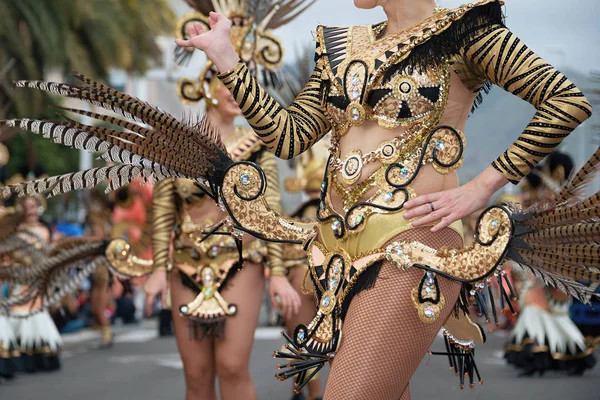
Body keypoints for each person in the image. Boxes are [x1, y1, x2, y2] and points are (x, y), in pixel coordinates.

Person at [2, 1, 597, 399]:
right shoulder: (340, 44)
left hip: (416, 249)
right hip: (334, 257)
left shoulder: (471, 33)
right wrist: (230, 60)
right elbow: (289, 136)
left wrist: (480, 186)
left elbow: (565, 102)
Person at [505, 152, 597, 376]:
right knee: (552, 313)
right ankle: (572, 353)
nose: (525, 195)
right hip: (553, 268)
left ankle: (539, 353)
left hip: (548, 268)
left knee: (539, 307)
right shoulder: (562, 204)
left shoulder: (555, 205)